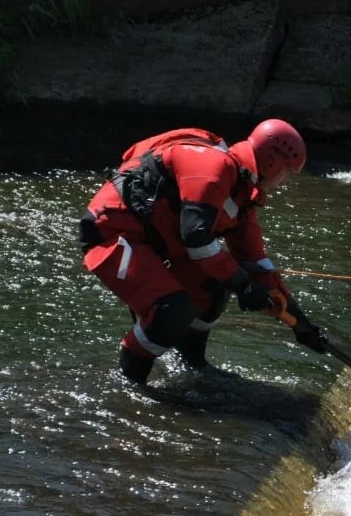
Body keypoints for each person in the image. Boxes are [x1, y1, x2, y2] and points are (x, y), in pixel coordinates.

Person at [78, 118, 328, 384]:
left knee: (215, 287)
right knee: (173, 309)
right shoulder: (214, 168)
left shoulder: (242, 194)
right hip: (112, 234)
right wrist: (243, 287)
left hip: (156, 242)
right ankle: (128, 382)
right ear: (272, 162)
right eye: (287, 173)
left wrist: (299, 321)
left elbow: (256, 261)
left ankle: (193, 365)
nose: (284, 182)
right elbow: (196, 237)